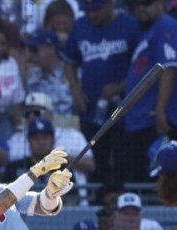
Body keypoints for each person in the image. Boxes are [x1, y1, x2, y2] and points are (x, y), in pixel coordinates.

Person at [63, 0, 140, 188]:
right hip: (91, 110)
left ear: (110, 4)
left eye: (96, 9)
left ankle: (122, 202)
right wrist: (76, 91)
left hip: (124, 108)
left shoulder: (129, 24)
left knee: (124, 159)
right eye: (88, 10)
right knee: (97, 159)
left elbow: (140, 64)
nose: (92, 14)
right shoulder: (81, 26)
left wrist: (121, 85)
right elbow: (68, 62)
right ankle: (99, 204)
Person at [121, 0, 177, 182]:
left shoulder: (166, 26)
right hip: (142, 119)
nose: (141, 8)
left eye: (146, 3)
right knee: (141, 177)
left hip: (159, 120)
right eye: (137, 5)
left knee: (162, 179)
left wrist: (161, 109)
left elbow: (169, 68)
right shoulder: (148, 31)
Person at [24, 30, 72, 116]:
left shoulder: (71, 74)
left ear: (51, 49)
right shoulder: (31, 76)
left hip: (68, 126)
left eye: (34, 50)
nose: (31, 55)